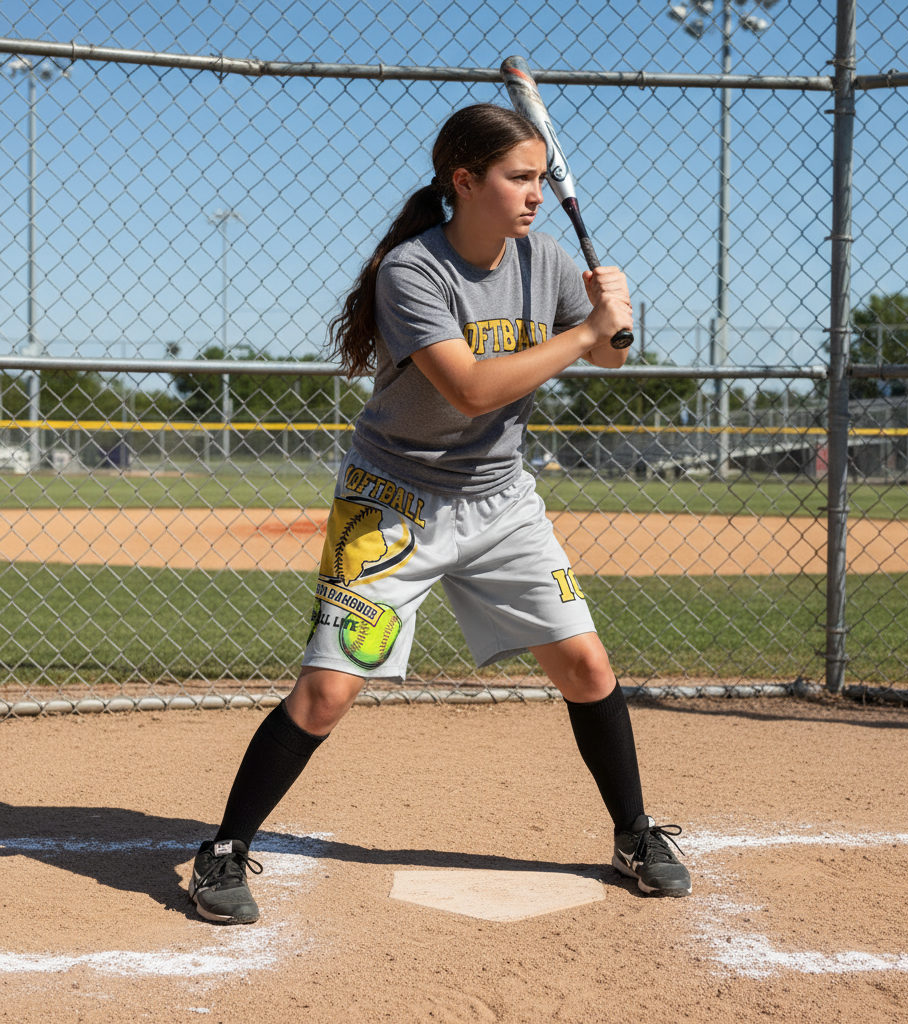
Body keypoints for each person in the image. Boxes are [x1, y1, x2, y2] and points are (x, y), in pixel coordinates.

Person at [188, 103, 691, 925]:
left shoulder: (546, 256)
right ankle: (224, 851)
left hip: (501, 498)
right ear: (465, 182)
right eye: (517, 177)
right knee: (328, 690)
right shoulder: (412, 272)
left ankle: (633, 834)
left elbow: (606, 349)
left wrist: (614, 318)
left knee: (587, 669)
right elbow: (471, 388)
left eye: (539, 178)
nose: (534, 194)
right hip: (392, 499)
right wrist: (587, 335)